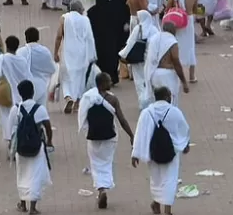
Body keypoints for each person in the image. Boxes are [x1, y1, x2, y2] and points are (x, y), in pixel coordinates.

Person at [77, 73, 134, 210]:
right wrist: (131, 135)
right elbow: (122, 120)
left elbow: (82, 117)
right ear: (102, 84)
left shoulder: (89, 98)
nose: (111, 82)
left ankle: (101, 189)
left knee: (96, 164)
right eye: (108, 81)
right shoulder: (112, 99)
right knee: (107, 162)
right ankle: (104, 189)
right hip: (110, 136)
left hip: (93, 136)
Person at [131, 85, 190, 215]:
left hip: (153, 152)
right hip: (171, 152)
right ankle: (167, 210)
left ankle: (156, 203)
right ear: (166, 97)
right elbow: (184, 130)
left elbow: (140, 134)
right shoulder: (175, 111)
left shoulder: (147, 113)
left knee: (156, 179)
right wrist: (185, 145)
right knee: (170, 179)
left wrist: (135, 154)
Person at [10, 79, 53, 214]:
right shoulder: (40, 109)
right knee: (35, 174)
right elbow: (48, 127)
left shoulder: (16, 109)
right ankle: (33, 207)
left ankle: (22, 204)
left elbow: (11, 128)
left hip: (21, 147)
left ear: (19, 93)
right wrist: (49, 141)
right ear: (33, 92)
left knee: (22, 174)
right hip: (36, 146)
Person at [54, 0, 97, 113]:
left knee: (67, 77)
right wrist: (92, 55)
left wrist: (55, 52)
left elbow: (59, 36)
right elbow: (89, 38)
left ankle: (68, 97)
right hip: (82, 54)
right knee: (80, 78)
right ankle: (77, 102)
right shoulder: (85, 20)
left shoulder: (64, 18)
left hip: (68, 52)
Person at [89, 0, 130, 85]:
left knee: (100, 60)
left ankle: (101, 79)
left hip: (98, 41)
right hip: (111, 41)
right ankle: (112, 78)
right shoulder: (112, 9)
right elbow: (118, 25)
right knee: (111, 60)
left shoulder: (92, 12)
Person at [121, 11, 159, 110]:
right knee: (150, 80)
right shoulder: (154, 29)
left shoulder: (138, 29)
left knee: (139, 81)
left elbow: (130, 43)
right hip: (150, 59)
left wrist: (123, 54)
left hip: (137, 60)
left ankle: (143, 102)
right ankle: (151, 100)